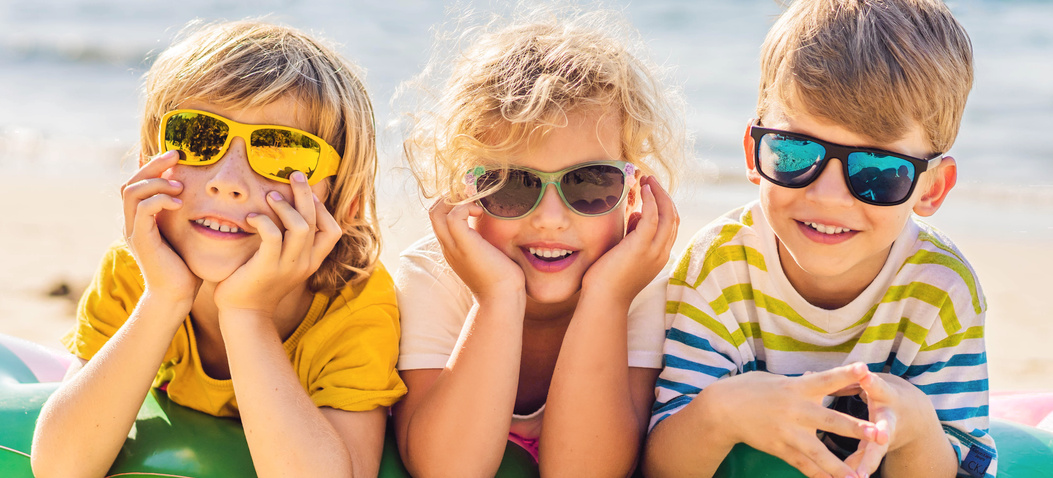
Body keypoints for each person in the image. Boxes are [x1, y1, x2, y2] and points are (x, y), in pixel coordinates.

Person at [31, 20, 405, 477]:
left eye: (283, 152)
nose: (227, 181)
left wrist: (246, 314)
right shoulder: (135, 275)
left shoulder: (354, 306)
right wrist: (164, 298)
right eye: (197, 137)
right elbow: (61, 467)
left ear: (344, 200)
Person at [644, 0, 996, 477]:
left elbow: (965, 467)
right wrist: (721, 411)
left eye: (877, 170)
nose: (827, 197)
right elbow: (661, 465)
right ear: (753, 152)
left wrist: (913, 426)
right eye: (794, 151)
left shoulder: (939, 289)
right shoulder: (718, 267)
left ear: (931, 188)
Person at [393, 6, 685, 476]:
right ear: (463, 190)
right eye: (512, 185)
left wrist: (607, 297)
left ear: (633, 194)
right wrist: (497, 297)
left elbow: (584, 471)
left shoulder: (639, 287)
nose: (550, 220)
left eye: (590, 184)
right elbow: (448, 470)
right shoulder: (432, 278)